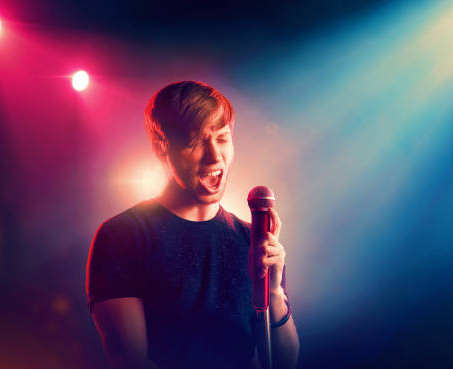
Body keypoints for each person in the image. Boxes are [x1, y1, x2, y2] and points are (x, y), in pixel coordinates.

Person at [85, 81, 300, 369]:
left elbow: (286, 363)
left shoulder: (254, 240)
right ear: (162, 149)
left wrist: (273, 293)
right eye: (196, 141)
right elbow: (130, 361)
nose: (214, 156)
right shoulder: (122, 237)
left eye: (222, 138)